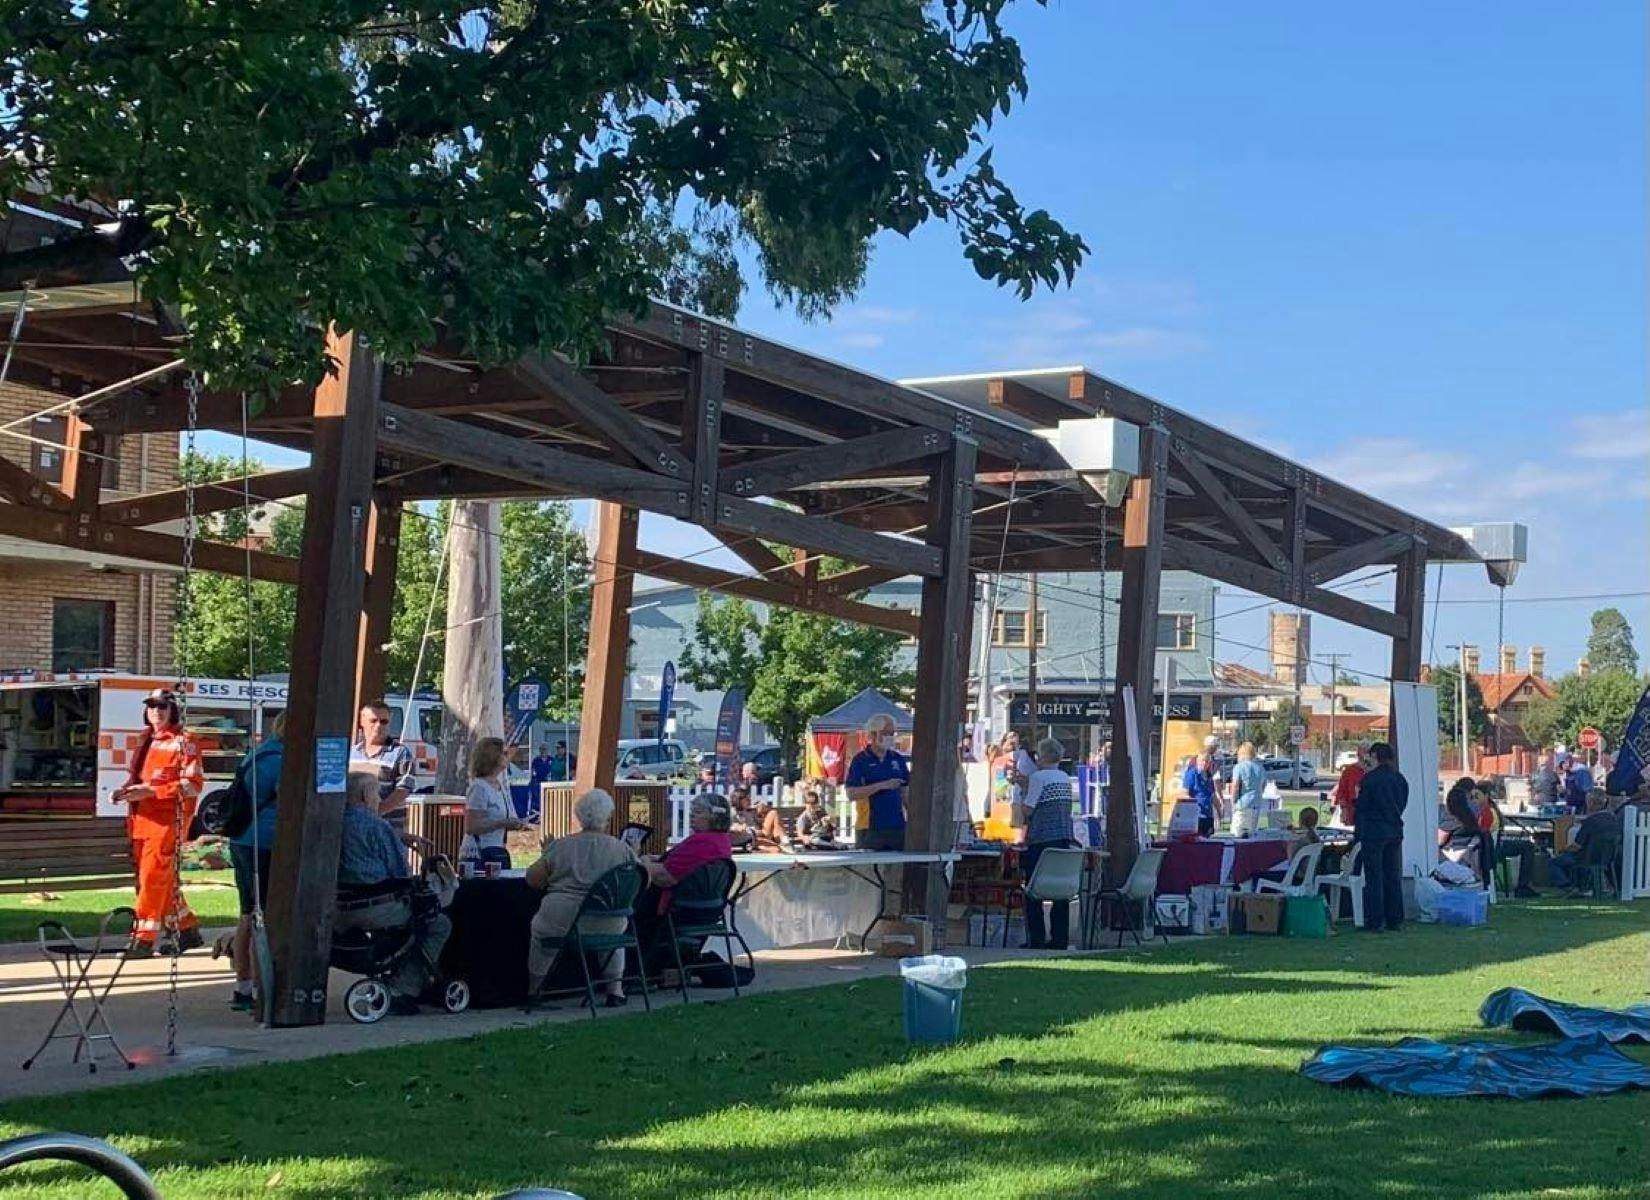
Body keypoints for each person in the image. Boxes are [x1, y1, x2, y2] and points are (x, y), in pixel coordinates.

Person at [335, 771, 448, 1015]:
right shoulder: (376, 825)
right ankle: (403, 987)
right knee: (437, 923)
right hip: (378, 908)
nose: (379, 798)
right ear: (365, 795)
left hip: (339, 908)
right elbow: (401, 873)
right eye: (376, 793)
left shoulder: (333, 822)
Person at [113, 689, 206, 958]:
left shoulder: (185, 742)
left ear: (173, 710)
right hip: (141, 820)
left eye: (163, 707)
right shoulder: (145, 740)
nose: (156, 711)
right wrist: (125, 792)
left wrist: (153, 792)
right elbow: (138, 779)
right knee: (158, 880)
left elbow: (193, 784)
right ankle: (187, 929)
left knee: (152, 880)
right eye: (152, 706)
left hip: (167, 823)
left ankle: (142, 940)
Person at [524, 788, 638, 1006]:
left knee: (541, 937)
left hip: (564, 919)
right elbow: (641, 880)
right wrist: (636, 852)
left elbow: (533, 880)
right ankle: (616, 990)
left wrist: (546, 853)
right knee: (613, 938)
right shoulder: (621, 849)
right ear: (608, 816)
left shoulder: (561, 846)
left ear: (578, 815)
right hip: (609, 920)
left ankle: (535, 989)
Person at [227, 713, 285, 1010]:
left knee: (247, 913)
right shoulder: (285, 760)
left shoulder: (259, 753)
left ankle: (243, 986)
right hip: (264, 841)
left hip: (241, 838)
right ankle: (258, 987)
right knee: (260, 917)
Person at [634, 793, 735, 959]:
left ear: (713, 816)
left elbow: (665, 877)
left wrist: (641, 861)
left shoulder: (701, 842)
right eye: (693, 811)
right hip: (708, 910)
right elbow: (680, 862)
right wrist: (658, 859)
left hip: (678, 909)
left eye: (699, 812)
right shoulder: (721, 841)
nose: (691, 815)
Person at [1019, 737, 1077, 949]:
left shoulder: (1038, 777)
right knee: (1060, 890)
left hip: (1041, 839)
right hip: (1062, 838)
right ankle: (1059, 937)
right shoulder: (1064, 778)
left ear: (1041, 756)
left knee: (1033, 890)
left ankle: (1036, 938)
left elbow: (1029, 808)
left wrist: (1022, 793)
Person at [1353, 742, 1408, 932]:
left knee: (1374, 876)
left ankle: (1374, 919)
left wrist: (1357, 797)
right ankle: (1395, 918)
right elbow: (1403, 803)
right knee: (1392, 874)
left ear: (1375, 756)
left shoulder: (1370, 780)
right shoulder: (1399, 779)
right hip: (1394, 830)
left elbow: (1362, 806)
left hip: (1374, 831)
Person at [460, 736, 534, 868]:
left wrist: (517, 823)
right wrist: (503, 823)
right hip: (478, 853)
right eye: (504, 753)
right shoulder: (479, 787)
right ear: (492, 756)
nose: (509, 756)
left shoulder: (500, 786)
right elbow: (471, 827)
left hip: (497, 849)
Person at [350, 701, 416, 837]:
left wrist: (376, 812)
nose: (378, 725)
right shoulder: (351, 753)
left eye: (384, 721)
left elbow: (404, 789)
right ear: (362, 721)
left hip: (389, 831)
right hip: (355, 831)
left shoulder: (401, 753)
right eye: (373, 720)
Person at [845, 714, 909, 851]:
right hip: (869, 827)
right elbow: (851, 794)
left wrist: (914, 819)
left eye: (892, 733)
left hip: (897, 827)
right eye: (886, 733)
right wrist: (882, 785)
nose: (890, 737)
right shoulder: (860, 760)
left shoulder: (897, 759)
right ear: (873, 734)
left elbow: (906, 792)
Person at [1548, 791, 1623, 890]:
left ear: (1591, 803)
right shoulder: (1613, 819)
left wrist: (1562, 850)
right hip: (1608, 857)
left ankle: (1566, 886)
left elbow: (1577, 846)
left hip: (1586, 858)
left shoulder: (1591, 821)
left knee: (1554, 862)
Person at [1227, 742, 1266, 837]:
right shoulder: (1260, 767)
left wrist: (1233, 802)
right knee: (1251, 833)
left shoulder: (1239, 767)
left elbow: (1235, 786)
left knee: (1237, 833)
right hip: (1256, 803)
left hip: (1242, 804)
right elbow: (1263, 784)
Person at [1182, 749, 1219, 837]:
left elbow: (1213, 796)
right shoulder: (1192, 774)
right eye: (1203, 760)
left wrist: (1219, 812)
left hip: (1208, 815)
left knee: (1208, 841)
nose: (1205, 763)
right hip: (1196, 816)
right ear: (1198, 761)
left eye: (1207, 761)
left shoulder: (1209, 776)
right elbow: (1184, 793)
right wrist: (1193, 805)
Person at [1332, 744, 1370, 827]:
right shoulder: (1349, 771)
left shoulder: (1374, 772)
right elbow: (1341, 792)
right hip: (1351, 812)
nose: (1365, 755)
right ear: (1358, 754)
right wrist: (1343, 808)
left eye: (1367, 752)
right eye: (1363, 752)